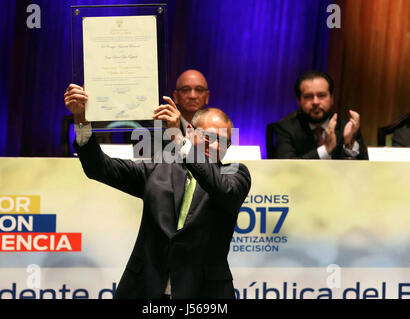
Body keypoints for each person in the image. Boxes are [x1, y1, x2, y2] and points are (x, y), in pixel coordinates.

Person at [64, 84, 251, 299]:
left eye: (224, 141)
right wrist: (81, 120)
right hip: (146, 288)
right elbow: (99, 168)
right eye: (208, 137)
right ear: (190, 132)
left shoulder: (235, 175)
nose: (216, 146)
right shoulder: (159, 170)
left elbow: (222, 191)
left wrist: (180, 141)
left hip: (204, 293)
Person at [274, 70, 368, 159]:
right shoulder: (285, 129)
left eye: (322, 95)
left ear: (332, 99)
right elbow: (286, 167)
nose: (315, 102)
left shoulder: (347, 127)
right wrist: (325, 150)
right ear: (298, 101)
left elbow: (366, 168)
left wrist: (349, 143)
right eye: (308, 96)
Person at [173, 69, 210, 135]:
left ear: (207, 96)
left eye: (199, 90)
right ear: (176, 96)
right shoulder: (163, 128)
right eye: (185, 90)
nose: (192, 96)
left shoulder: (216, 128)